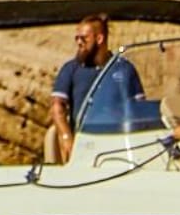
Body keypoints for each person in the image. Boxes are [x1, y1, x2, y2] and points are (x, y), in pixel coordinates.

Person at [50, 15, 145, 163]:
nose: (79, 43)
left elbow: (139, 110)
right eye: (77, 38)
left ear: (99, 39)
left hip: (118, 144)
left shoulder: (124, 69)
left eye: (84, 38)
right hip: (83, 142)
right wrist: (66, 137)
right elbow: (57, 106)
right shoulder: (71, 69)